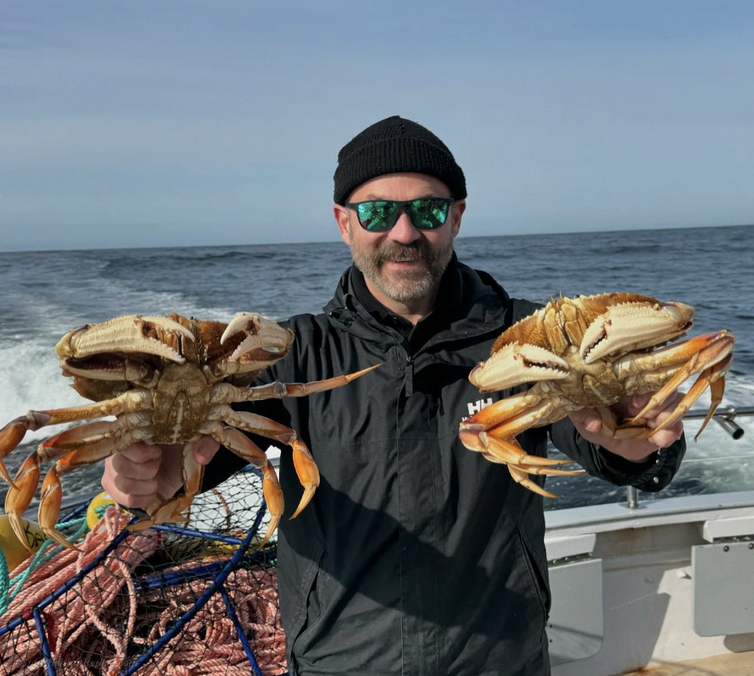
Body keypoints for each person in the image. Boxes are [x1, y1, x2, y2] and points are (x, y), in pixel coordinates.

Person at [102, 116, 686, 676]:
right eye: (378, 211)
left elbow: (615, 448)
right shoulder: (292, 353)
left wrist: (637, 441)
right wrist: (148, 477)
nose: (404, 234)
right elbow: (192, 465)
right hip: (338, 662)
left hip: (501, 661)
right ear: (344, 222)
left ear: (456, 217)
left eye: (427, 210)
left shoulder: (531, 341)